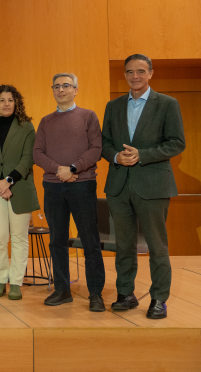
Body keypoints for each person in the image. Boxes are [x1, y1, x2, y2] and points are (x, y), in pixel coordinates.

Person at [102, 54, 185, 319]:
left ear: (151, 73)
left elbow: (176, 142)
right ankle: (126, 294)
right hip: (119, 186)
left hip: (153, 185)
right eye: (129, 72)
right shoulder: (113, 106)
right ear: (124, 75)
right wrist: (116, 156)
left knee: (157, 246)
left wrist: (143, 155)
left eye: (140, 71)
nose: (134, 76)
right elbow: (104, 143)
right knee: (124, 245)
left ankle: (159, 298)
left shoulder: (168, 104)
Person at [33, 72, 105, 312]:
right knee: (57, 241)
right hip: (53, 187)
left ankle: (95, 293)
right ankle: (62, 289)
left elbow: (96, 148)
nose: (61, 89)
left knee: (90, 241)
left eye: (66, 85)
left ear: (75, 89)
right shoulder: (45, 121)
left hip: (83, 184)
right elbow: (37, 153)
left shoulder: (88, 116)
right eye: (57, 86)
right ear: (52, 90)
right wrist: (59, 170)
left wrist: (73, 168)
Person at [0, 85, 39, 300]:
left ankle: (16, 282)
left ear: (17, 103)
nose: (6, 104)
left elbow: (28, 158)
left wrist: (9, 181)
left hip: (19, 188)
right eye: (2, 100)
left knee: (20, 238)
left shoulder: (27, 127)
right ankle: (0, 280)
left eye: (10, 100)